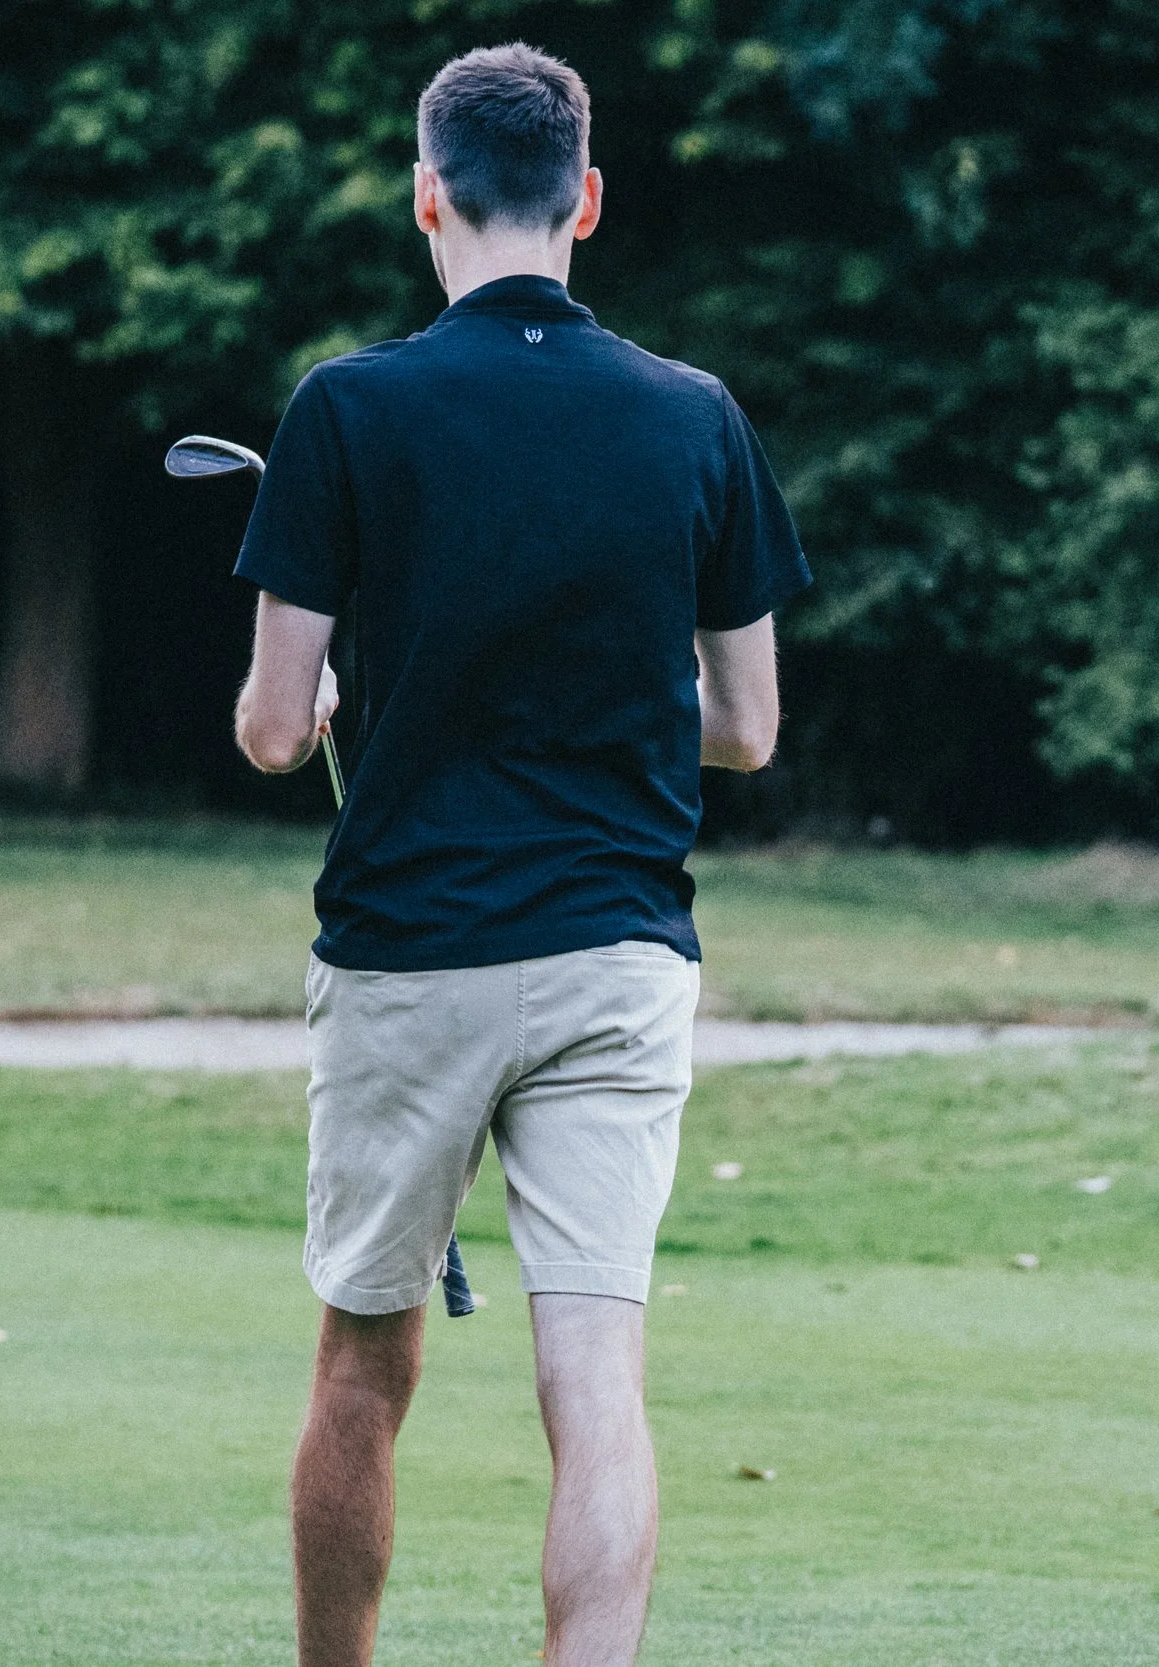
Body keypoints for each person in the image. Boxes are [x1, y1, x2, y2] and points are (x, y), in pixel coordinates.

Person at [227, 42, 811, 1667]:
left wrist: (355, 690)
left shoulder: (348, 406)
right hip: (618, 953)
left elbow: (278, 731)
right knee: (595, 1377)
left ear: (428, 196)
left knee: (362, 1367)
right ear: (589, 200)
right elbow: (747, 725)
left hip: (410, 948)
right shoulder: (694, 415)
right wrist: (601, 696)